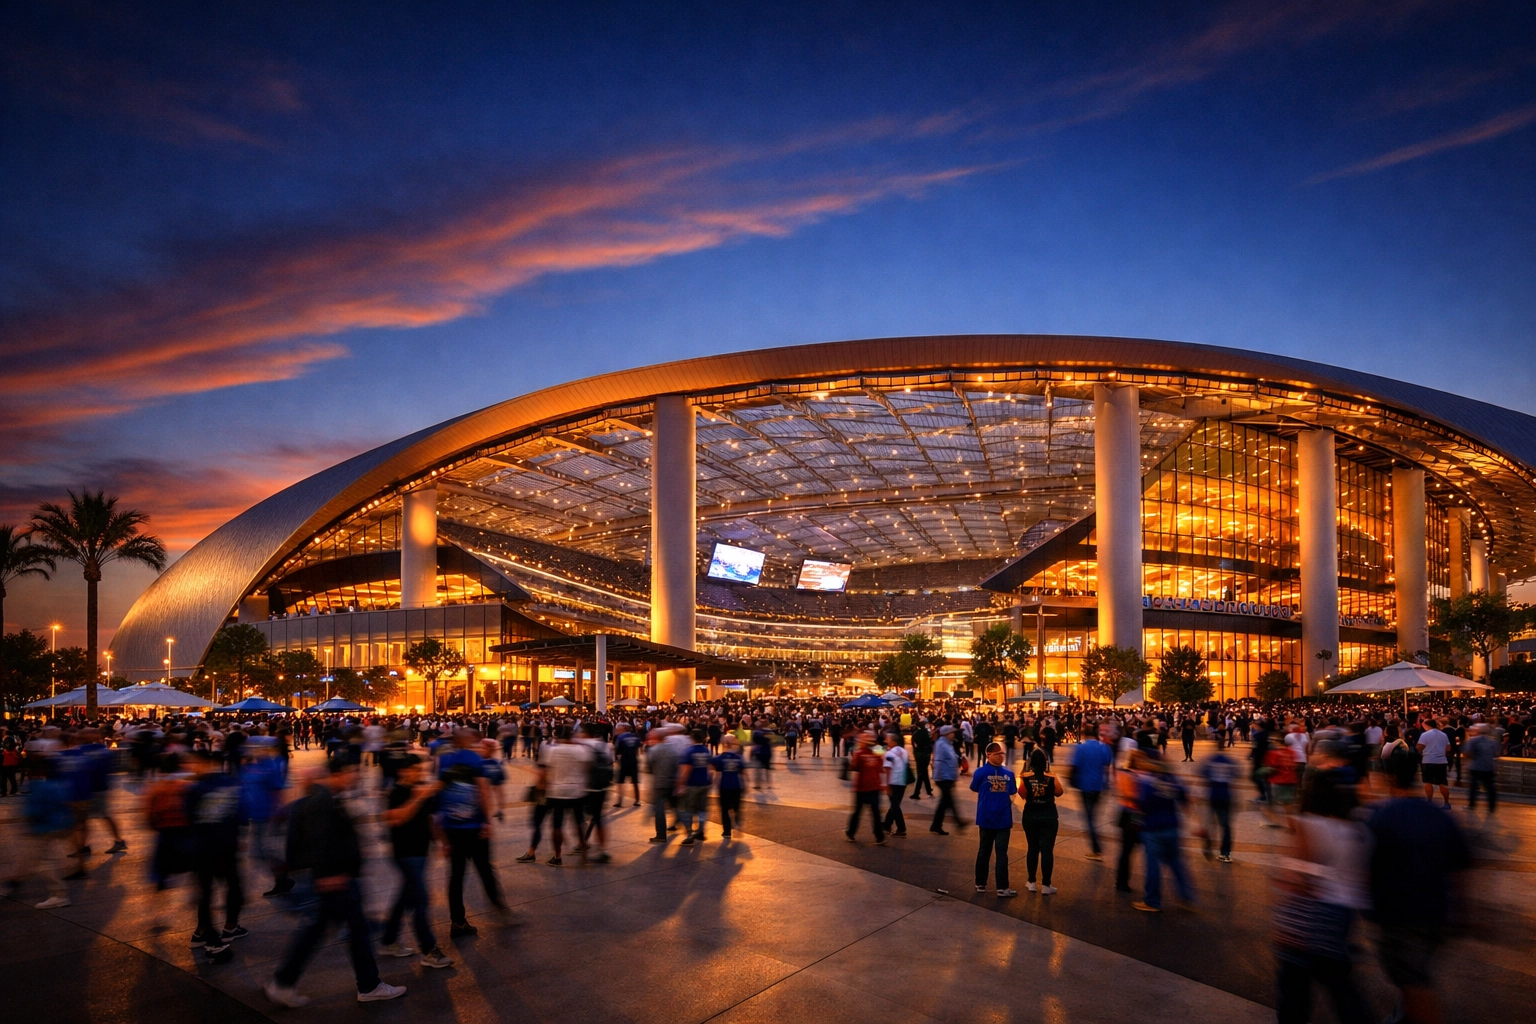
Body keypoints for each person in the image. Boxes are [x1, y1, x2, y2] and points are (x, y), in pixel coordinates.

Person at [266, 760, 406, 1006]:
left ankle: (287, 982)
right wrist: (327, 874)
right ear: (337, 774)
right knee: (332, 930)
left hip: (335, 878)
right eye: (352, 771)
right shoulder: (323, 804)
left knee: (336, 929)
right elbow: (320, 843)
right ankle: (366, 985)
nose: (355, 777)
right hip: (335, 879)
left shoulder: (318, 800)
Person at [1365, 754, 1470, 1024]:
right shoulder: (1439, 816)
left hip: (1401, 913)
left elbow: (1368, 868)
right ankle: (1405, 1014)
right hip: (1436, 910)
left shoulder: (1383, 816)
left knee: (1413, 980)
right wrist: (1463, 909)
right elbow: (1460, 866)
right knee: (1412, 971)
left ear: (1390, 778)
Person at [1272, 753, 1373, 1024]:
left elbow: (1299, 876)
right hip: (1343, 914)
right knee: (1339, 985)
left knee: (1294, 991)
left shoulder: (1306, 825)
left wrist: (1288, 922)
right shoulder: (1359, 829)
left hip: (1311, 913)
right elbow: (1363, 879)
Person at [379, 756, 453, 969]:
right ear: (402, 771)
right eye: (414, 770)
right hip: (405, 854)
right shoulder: (397, 793)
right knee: (420, 901)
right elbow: (395, 818)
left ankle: (388, 940)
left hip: (420, 853)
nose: (419, 773)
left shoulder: (419, 789)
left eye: (420, 769)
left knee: (404, 899)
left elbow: (430, 819)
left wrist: (442, 842)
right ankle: (429, 950)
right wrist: (417, 798)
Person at [438, 728, 506, 928]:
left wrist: (441, 834)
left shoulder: (444, 760)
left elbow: (439, 794)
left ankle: (457, 922)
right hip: (474, 826)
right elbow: (483, 792)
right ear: (468, 741)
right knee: (485, 868)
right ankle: (499, 906)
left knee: (456, 875)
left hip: (451, 826)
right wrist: (487, 821)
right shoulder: (476, 760)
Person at [186, 750, 245, 961]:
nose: (190, 766)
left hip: (204, 848)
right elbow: (240, 814)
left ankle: (205, 933)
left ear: (209, 763)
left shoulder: (195, 788)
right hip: (225, 846)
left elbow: (188, 819)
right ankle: (222, 931)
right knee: (233, 888)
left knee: (207, 892)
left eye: (194, 762)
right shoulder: (232, 784)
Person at [1131, 752, 1194, 913]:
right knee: (1176, 863)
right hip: (1172, 827)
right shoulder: (1172, 780)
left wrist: (1136, 820)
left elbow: (1141, 804)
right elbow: (1185, 796)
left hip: (1152, 828)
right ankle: (1187, 896)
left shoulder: (1147, 782)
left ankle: (1152, 901)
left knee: (1153, 865)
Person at [537, 724, 594, 864]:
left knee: (557, 825)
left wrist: (541, 789)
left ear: (557, 736)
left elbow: (543, 774)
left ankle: (557, 856)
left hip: (556, 791)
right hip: (577, 790)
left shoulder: (550, 750)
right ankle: (583, 855)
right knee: (579, 822)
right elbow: (588, 769)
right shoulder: (581, 750)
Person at [969, 741, 1017, 896]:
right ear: (988, 755)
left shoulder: (1008, 774)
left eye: (1002, 753)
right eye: (998, 754)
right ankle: (981, 883)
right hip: (988, 817)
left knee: (1001, 853)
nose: (1001, 757)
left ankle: (1001, 887)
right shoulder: (981, 772)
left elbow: (975, 788)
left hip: (1001, 818)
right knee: (985, 850)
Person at [1019, 748, 1062, 894]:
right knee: (1047, 850)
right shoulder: (1051, 776)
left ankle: (1031, 881)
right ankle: (1046, 885)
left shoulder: (1025, 777)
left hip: (1031, 815)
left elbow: (1022, 793)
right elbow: (1059, 792)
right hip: (1049, 815)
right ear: (1045, 762)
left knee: (1032, 848)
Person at [1069, 725, 1112, 860]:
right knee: (1093, 815)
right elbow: (1107, 762)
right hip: (1099, 786)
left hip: (1085, 785)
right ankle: (1096, 845)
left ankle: (1096, 848)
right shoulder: (1103, 747)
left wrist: (1072, 781)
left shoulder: (1080, 748)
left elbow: (1074, 765)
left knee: (1089, 818)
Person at [1197, 745, 1240, 863]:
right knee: (1226, 825)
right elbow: (1237, 776)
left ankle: (1209, 844)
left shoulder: (1209, 760)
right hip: (1226, 796)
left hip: (1212, 796)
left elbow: (1202, 775)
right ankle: (1225, 853)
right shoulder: (1231, 761)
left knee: (1209, 823)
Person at [845, 731, 886, 844]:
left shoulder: (860, 753)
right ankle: (879, 836)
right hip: (871, 787)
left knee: (859, 812)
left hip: (864, 787)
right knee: (874, 813)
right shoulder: (875, 751)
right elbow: (881, 765)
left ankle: (851, 833)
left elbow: (855, 767)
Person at [645, 725, 681, 843]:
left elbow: (649, 767)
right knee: (674, 805)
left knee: (659, 809)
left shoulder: (653, 750)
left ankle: (661, 835)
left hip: (659, 783)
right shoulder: (673, 749)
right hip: (672, 781)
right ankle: (687, 827)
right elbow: (677, 765)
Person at [677, 727, 713, 844]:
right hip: (705, 783)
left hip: (692, 784)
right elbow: (710, 767)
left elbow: (686, 770)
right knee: (702, 809)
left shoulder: (689, 751)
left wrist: (680, 784)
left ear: (691, 738)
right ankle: (701, 831)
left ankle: (689, 834)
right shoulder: (706, 750)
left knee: (687, 809)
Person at [929, 725, 965, 834]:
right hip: (943, 777)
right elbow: (939, 762)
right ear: (946, 734)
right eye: (951, 732)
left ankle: (936, 825)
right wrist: (943, 776)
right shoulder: (941, 744)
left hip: (948, 776)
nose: (953, 734)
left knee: (944, 803)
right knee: (949, 801)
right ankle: (958, 822)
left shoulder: (947, 744)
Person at [712, 734, 747, 838]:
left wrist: (714, 783)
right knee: (737, 805)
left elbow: (714, 771)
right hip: (737, 786)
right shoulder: (739, 757)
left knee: (724, 809)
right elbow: (744, 772)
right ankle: (737, 818)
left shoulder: (719, 758)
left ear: (724, 744)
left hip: (724, 785)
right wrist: (747, 784)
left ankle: (727, 831)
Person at [1415, 718, 1452, 808]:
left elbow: (1419, 747)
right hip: (1442, 761)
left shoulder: (1425, 735)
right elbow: (1448, 748)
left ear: (1427, 725)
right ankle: (1446, 803)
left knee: (1428, 782)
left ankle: (1429, 802)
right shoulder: (1443, 735)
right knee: (1442, 782)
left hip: (1428, 760)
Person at [1464, 723, 1499, 813]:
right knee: (1490, 788)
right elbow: (1496, 753)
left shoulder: (1473, 740)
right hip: (1489, 766)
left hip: (1475, 766)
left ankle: (1471, 805)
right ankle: (1491, 807)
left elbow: (1467, 752)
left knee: (1473, 787)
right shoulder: (1493, 742)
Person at [881, 730, 910, 838]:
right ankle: (887, 824)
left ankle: (901, 828)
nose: (886, 741)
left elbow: (888, 770)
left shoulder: (889, 754)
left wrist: (887, 786)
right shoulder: (904, 751)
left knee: (895, 805)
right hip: (902, 781)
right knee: (895, 804)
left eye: (888, 739)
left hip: (894, 781)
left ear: (893, 741)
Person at [613, 722, 643, 808]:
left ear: (623, 729)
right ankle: (637, 800)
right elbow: (640, 746)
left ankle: (619, 801)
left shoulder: (620, 737)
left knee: (620, 782)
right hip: (633, 761)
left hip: (624, 761)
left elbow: (617, 750)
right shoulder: (636, 736)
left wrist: (617, 759)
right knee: (635, 782)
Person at [909, 718, 934, 799]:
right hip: (926, 754)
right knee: (924, 772)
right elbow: (930, 742)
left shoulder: (916, 734)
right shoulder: (927, 733)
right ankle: (928, 789)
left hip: (919, 755)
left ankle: (917, 793)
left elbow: (914, 744)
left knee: (921, 773)